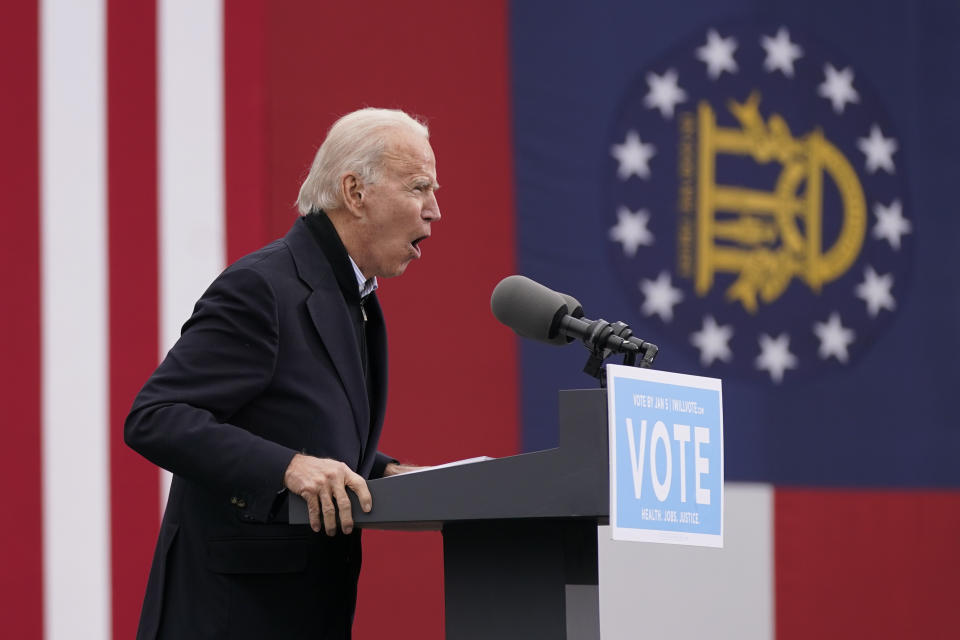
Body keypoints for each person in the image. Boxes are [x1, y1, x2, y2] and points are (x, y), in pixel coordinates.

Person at [125, 107, 441, 639]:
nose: (434, 210)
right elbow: (156, 417)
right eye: (419, 188)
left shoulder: (351, 292)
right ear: (354, 192)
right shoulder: (261, 288)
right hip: (230, 615)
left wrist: (379, 469)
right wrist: (287, 467)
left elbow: (288, 415)